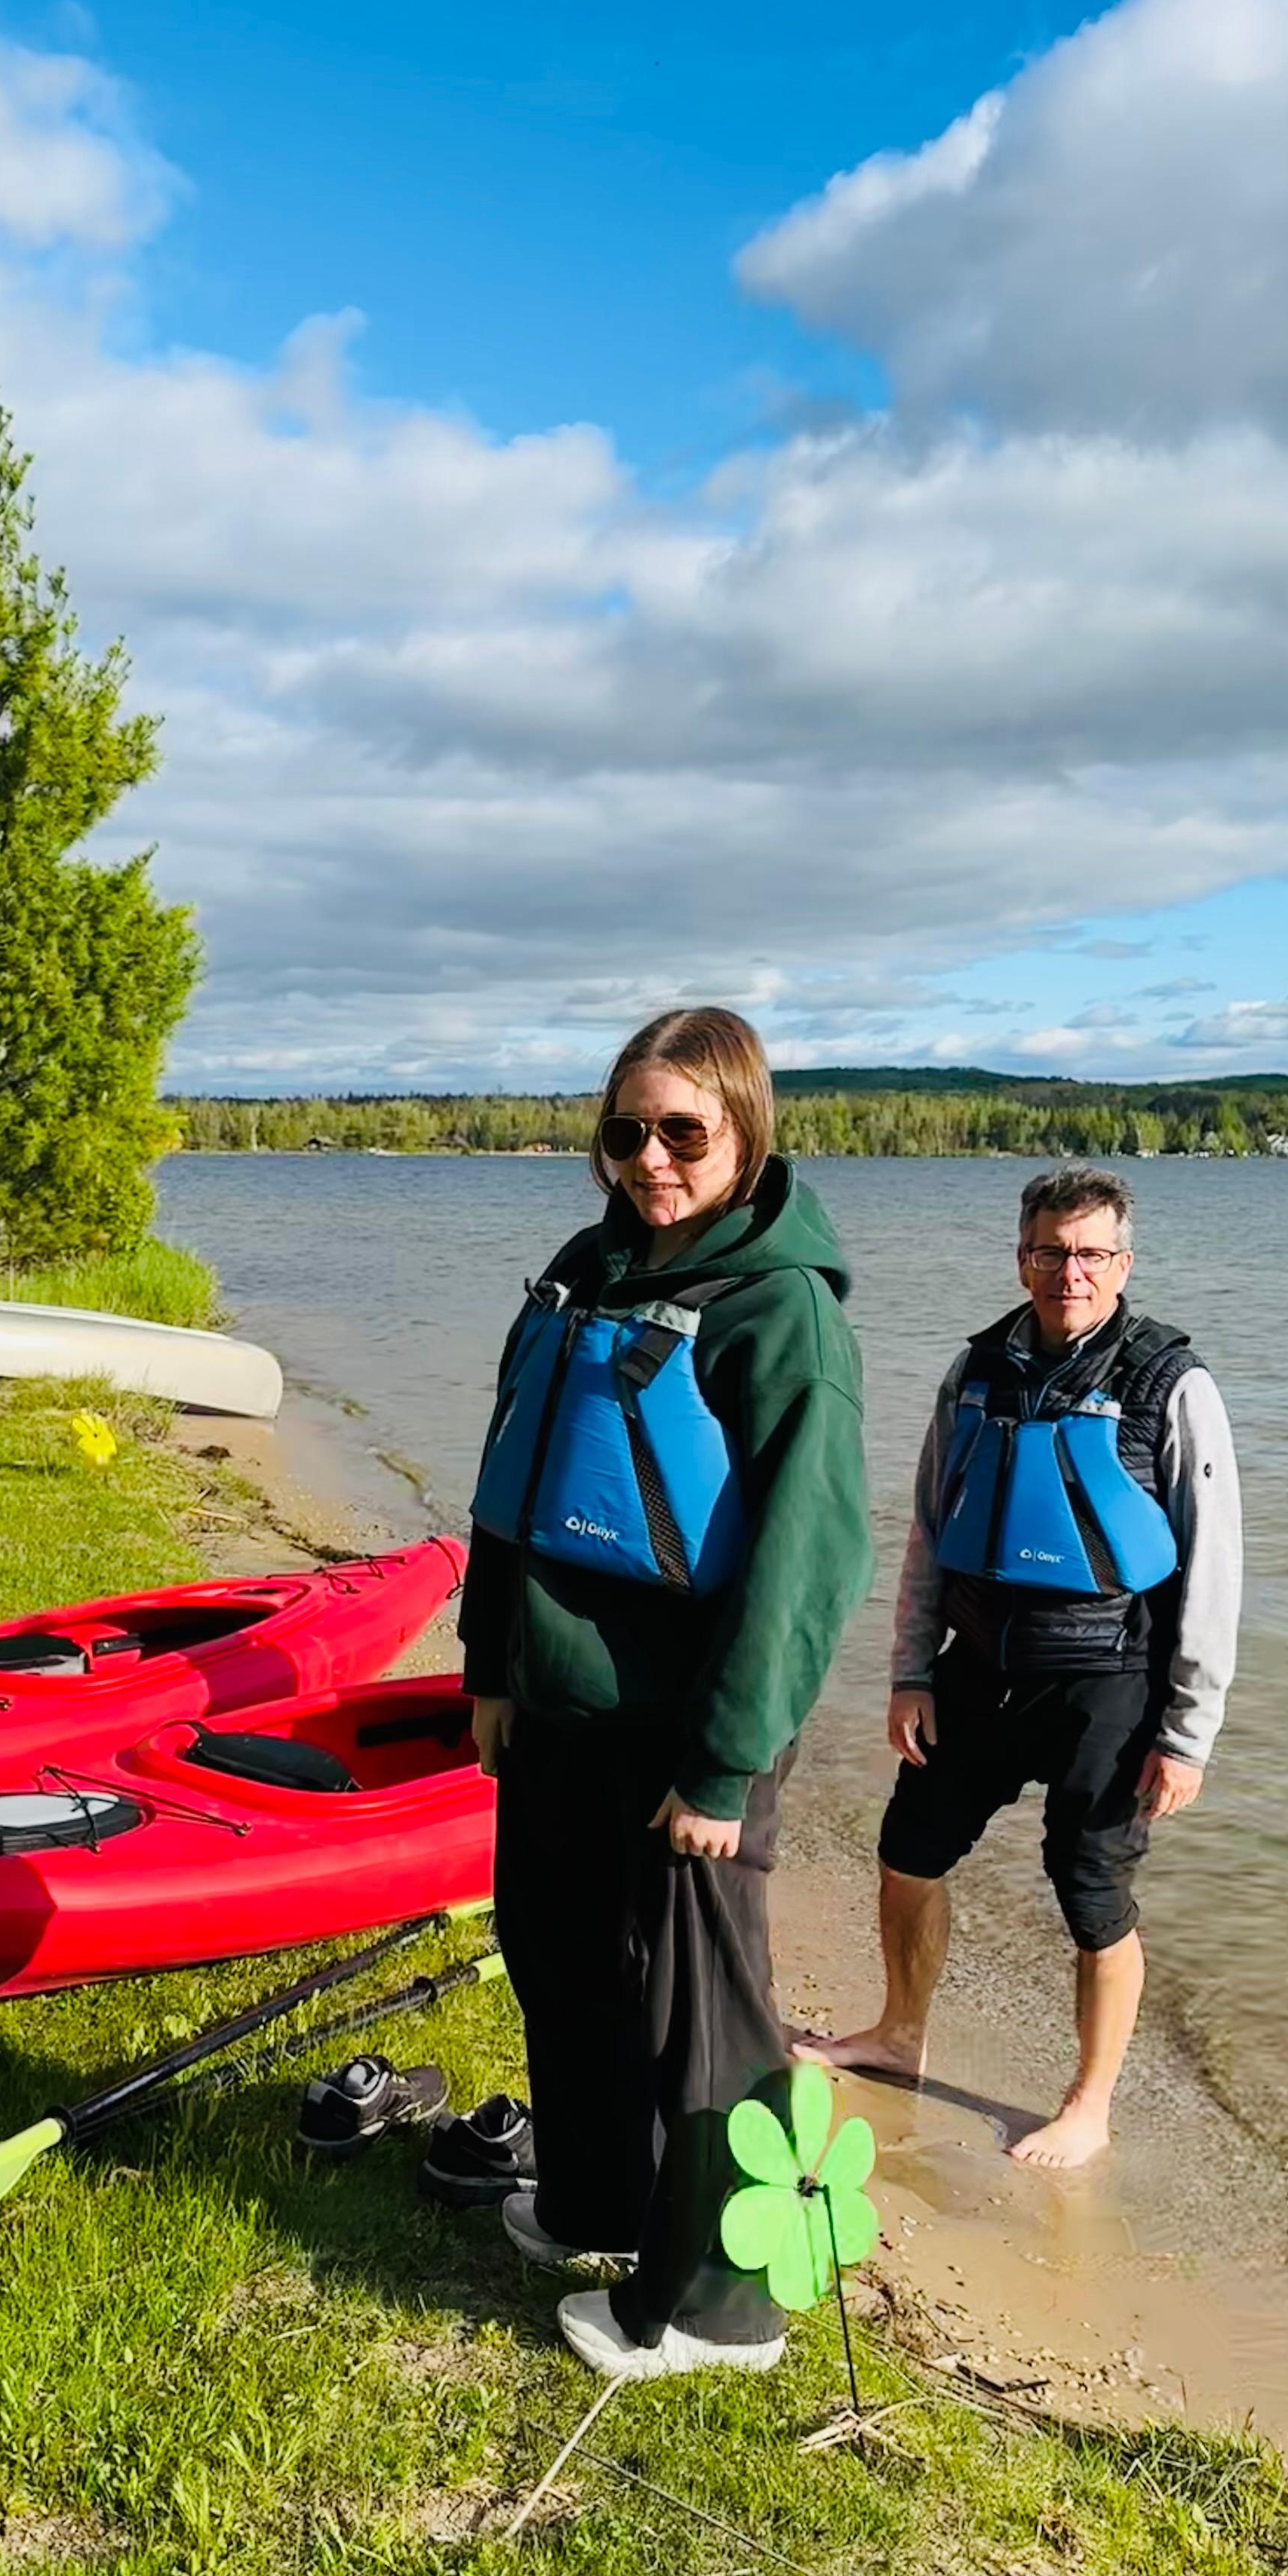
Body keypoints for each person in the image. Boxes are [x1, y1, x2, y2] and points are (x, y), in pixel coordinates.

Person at [460, 1007, 872, 2379]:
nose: (650, 1158)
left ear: (747, 1135)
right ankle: (594, 2202)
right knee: (559, 1955)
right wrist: (490, 1666)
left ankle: (714, 2308)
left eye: (682, 1132)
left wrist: (724, 1765)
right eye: (626, 1130)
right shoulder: (591, 1270)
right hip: (562, 1703)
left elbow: (812, 1562)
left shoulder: (782, 1313)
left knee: (702, 2007)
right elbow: (515, 1465)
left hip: (692, 1729)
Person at [798, 1165, 1241, 2167]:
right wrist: (910, 1670)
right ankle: (898, 2034)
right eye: (1049, 1250)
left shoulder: (1172, 1384)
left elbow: (1215, 1564)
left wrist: (1187, 1734)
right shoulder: (978, 1372)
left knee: (1092, 1897)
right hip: (977, 1666)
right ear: (1021, 1257)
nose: (1068, 1272)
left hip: (1108, 1681)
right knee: (909, 1854)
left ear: (1122, 1264)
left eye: (1089, 1254)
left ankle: (1089, 2105)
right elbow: (926, 1528)